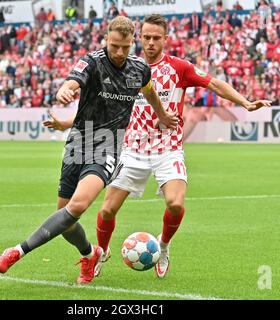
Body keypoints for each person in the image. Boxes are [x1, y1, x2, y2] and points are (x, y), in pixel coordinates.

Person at [0, 16, 177, 285]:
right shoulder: (92, 62)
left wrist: (160, 113)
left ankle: (17, 251)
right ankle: (90, 254)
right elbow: (71, 82)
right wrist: (64, 92)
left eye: (125, 47)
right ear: (106, 39)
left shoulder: (139, 69)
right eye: (114, 46)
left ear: (132, 43)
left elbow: (149, 91)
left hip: (109, 145)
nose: (119, 52)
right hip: (78, 143)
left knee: (77, 206)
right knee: (66, 220)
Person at [92, 14, 272, 278]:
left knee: (176, 204)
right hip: (133, 150)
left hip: (168, 149)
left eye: (156, 38)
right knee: (107, 209)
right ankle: (102, 251)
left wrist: (244, 102)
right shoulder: (126, 67)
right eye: (147, 37)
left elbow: (214, 84)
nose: (151, 43)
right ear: (139, 38)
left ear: (166, 39)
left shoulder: (179, 68)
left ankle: (163, 246)